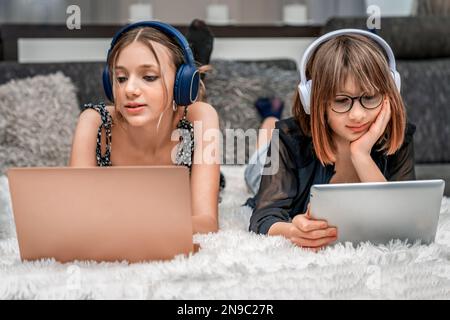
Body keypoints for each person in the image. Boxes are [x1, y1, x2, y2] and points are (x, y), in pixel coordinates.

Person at [245, 29, 416, 251]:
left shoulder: (399, 137)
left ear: (389, 95)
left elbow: (399, 220)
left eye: (369, 97)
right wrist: (292, 230)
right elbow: (263, 216)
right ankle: (269, 118)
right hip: (269, 165)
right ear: (314, 101)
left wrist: (361, 154)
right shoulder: (288, 138)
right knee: (258, 161)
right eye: (341, 100)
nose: (357, 115)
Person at [69, 21, 220, 235]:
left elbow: (207, 223)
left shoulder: (201, 117)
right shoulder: (94, 122)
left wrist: (131, 226)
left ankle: (197, 75)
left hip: (184, 125)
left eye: (149, 77)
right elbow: (75, 215)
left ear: (182, 83)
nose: (129, 89)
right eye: (121, 78)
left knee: (194, 105)